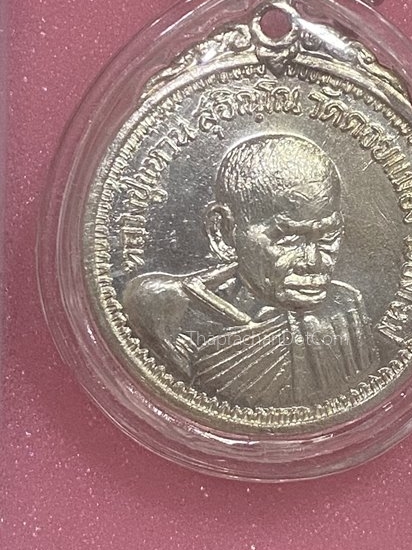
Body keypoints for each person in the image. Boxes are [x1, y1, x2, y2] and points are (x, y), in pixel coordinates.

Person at [123, 134, 380, 408]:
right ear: (223, 231)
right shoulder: (166, 309)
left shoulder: (344, 309)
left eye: (328, 236)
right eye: (289, 238)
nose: (314, 261)